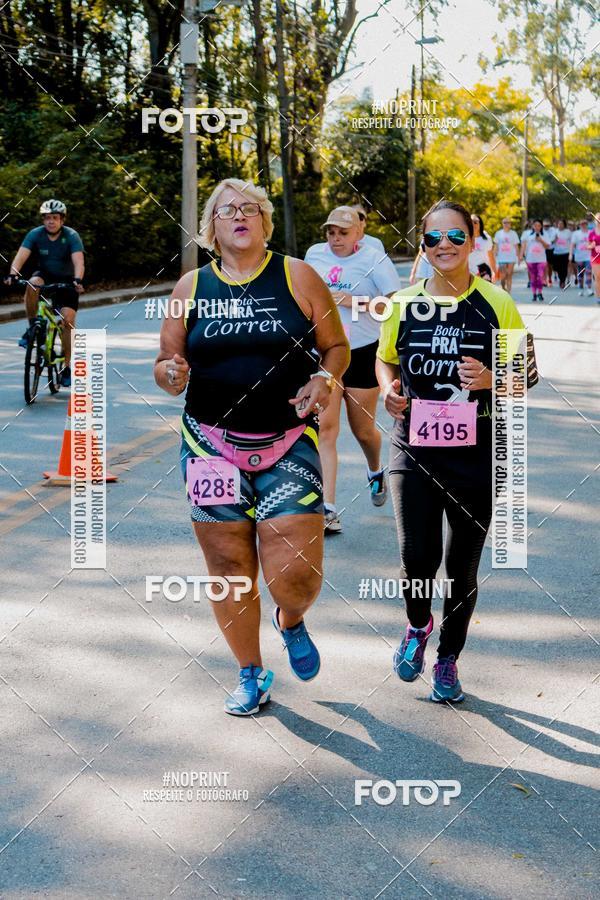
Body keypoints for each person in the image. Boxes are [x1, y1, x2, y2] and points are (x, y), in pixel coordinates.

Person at [154, 178, 349, 716]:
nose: (238, 216)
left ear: (264, 221)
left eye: (249, 209)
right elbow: (167, 361)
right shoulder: (190, 287)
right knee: (227, 564)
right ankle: (250, 672)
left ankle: (290, 619)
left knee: (295, 576)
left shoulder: (298, 276)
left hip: (288, 441)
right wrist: (170, 374)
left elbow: (336, 347)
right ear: (211, 228)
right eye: (226, 210)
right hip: (208, 442)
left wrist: (325, 381)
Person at [376, 200, 536, 703]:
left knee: (460, 562)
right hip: (413, 443)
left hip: (478, 450)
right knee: (415, 556)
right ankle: (417, 625)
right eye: (432, 239)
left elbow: (527, 374)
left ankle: (448, 659)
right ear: (422, 246)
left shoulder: (497, 302)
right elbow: (384, 361)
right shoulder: (402, 303)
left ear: (473, 239)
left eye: (454, 236)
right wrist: (387, 391)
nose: (443, 245)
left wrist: (493, 378)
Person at [305, 206, 401, 533]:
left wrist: (352, 301)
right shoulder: (314, 255)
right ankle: (327, 508)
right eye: (331, 232)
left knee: (363, 432)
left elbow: (393, 305)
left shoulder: (374, 258)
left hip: (362, 354)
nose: (335, 239)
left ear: (358, 232)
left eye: (343, 232)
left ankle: (376, 469)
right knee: (326, 429)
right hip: (326, 354)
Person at [6, 199, 84, 386]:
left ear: (62, 220)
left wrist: (78, 279)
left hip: (67, 281)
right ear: (43, 219)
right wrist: (12, 274)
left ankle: (66, 367)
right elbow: (21, 256)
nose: (51, 221)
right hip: (45, 276)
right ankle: (33, 327)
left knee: (68, 320)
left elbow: (79, 261)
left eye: (55, 218)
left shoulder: (71, 236)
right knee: (32, 283)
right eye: (47, 218)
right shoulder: (35, 234)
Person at [521, 219, 550, 302]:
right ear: (533, 226)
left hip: (541, 259)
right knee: (533, 278)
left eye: (539, 225)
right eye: (535, 225)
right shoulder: (528, 235)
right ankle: (534, 294)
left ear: (541, 227)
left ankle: (540, 293)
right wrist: (521, 256)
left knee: (540, 276)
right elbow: (523, 246)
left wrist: (541, 240)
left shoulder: (544, 235)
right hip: (530, 259)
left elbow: (547, 246)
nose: (537, 227)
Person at [493, 217, 520, 292]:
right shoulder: (498, 233)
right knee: (503, 276)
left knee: (509, 274)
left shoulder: (513, 233)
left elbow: (516, 246)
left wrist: (518, 257)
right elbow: (496, 246)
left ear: (510, 224)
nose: (506, 224)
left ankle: (508, 292)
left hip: (511, 257)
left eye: (508, 222)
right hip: (501, 257)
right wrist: (493, 257)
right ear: (502, 224)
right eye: (504, 222)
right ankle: (503, 288)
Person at [469, 214, 498, 281]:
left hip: (484, 271)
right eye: (471, 222)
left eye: (475, 222)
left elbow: (491, 256)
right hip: (469, 271)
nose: (473, 224)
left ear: (480, 224)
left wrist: (494, 271)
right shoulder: (465, 238)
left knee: (484, 291)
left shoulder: (486, 239)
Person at [570, 218, 593, 297]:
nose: (583, 225)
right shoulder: (576, 233)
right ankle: (581, 289)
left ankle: (589, 289)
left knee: (589, 272)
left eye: (585, 224)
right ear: (579, 225)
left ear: (587, 225)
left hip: (588, 256)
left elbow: (594, 243)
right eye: (582, 224)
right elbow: (572, 244)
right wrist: (570, 254)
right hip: (579, 256)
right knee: (580, 274)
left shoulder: (590, 233)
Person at [552, 218, 571, 289]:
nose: (560, 225)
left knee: (564, 267)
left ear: (564, 225)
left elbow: (571, 241)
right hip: (556, 252)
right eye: (559, 224)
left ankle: (562, 281)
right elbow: (551, 242)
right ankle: (561, 279)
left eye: (562, 224)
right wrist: (555, 239)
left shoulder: (568, 232)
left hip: (565, 252)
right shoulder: (555, 231)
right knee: (557, 268)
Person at [588, 213, 600, 303]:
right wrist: (592, 245)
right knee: (597, 277)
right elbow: (587, 246)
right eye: (598, 219)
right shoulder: (591, 232)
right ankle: (598, 296)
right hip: (595, 257)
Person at [542, 218, 557, 286]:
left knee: (550, 266)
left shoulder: (553, 230)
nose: (546, 227)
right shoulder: (541, 230)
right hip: (543, 250)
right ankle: (544, 280)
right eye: (545, 226)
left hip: (551, 249)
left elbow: (553, 239)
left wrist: (548, 243)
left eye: (547, 226)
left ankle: (550, 278)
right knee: (545, 265)